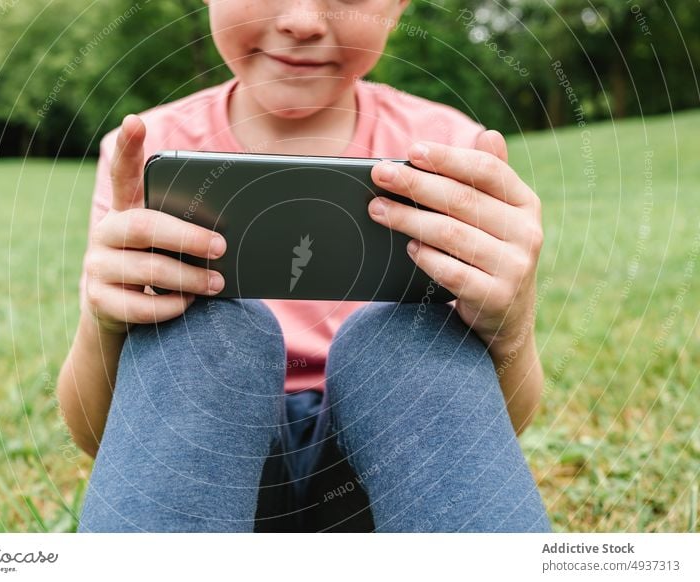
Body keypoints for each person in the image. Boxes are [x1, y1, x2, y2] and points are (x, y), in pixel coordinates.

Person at [57, 0, 550, 532]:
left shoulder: (448, 151)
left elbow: (486, 439)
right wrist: (102, 321)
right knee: (207, 333)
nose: (302, 20)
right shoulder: (148, 153)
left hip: (387, 477)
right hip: (211, 472)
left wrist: (510, 323)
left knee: (406, 338)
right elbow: (97, 437)